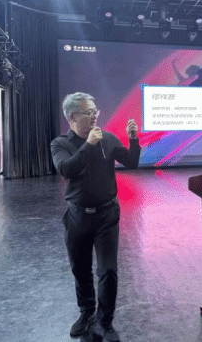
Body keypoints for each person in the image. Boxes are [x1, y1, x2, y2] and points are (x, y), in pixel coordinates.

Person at [50, 93, 141, 341]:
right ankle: (86, 313)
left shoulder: (107, 138)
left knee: (108, 270)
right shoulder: (60, 144)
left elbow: (132, 163)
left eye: (95, 111)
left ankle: (105, 322)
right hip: (77, 217)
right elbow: (67, 169)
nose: (93, 116)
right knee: (80, 269)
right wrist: (88, 145)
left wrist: (133, 139)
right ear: (72, 116)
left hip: (106, 215)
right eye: (88, 112)